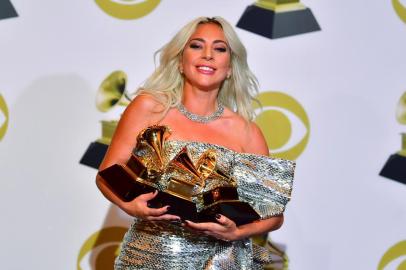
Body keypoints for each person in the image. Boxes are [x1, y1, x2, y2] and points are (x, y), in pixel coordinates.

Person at [96, 16, 294, 269]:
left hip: (216, 261)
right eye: (197, 45)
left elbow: (274, 215)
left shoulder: (247, 132)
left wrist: (236, 232)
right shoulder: (148, 108)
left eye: (220, 49)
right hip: (146, 257)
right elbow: (106, 173)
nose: (208, 55)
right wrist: (131, 206)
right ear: (180, 61)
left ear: (230, 67)